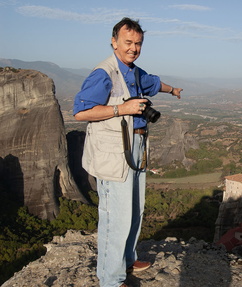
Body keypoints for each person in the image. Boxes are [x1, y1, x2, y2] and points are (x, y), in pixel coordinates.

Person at [73, 17, 182, 287]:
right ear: (114, 42)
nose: (133, 48)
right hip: (114, 152)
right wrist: (122, 109)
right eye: (128, 42)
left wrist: (173, 90)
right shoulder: (104, 73)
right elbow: (80, 112)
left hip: (137, 146)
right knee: (116, 215)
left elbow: (152, 82)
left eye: (138, 43)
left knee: (135, 209)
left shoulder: (132, 71)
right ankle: (110, 279)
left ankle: (128, 260)